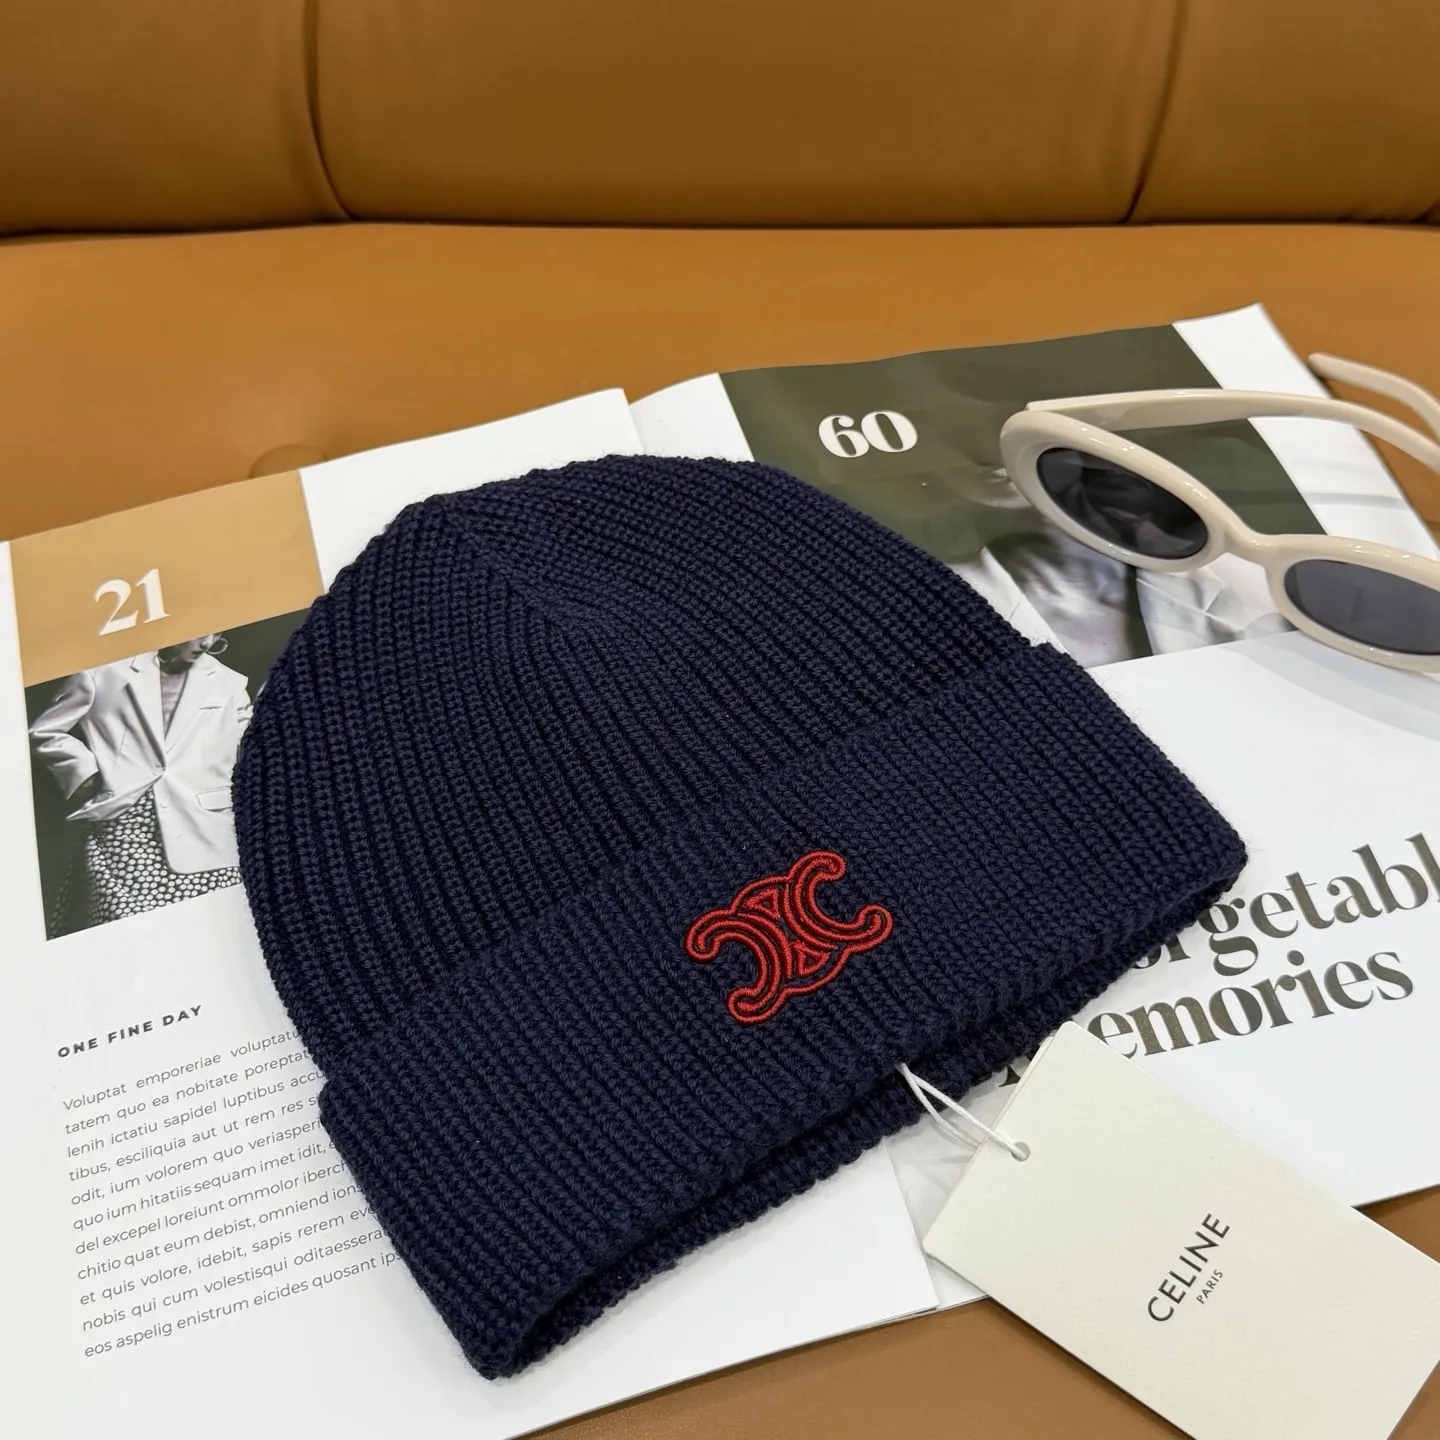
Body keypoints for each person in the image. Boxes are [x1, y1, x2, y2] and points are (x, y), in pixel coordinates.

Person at [29, 635, 251, 934]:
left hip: (203, 828)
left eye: (217, 636)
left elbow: (249, 747)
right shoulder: (105, 672)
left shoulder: (229, 683)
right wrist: (85, 772)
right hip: (125, 825)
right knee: (125, 930)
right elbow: (45, 730)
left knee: (206, 930)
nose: (207, 644)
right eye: (201, 635)